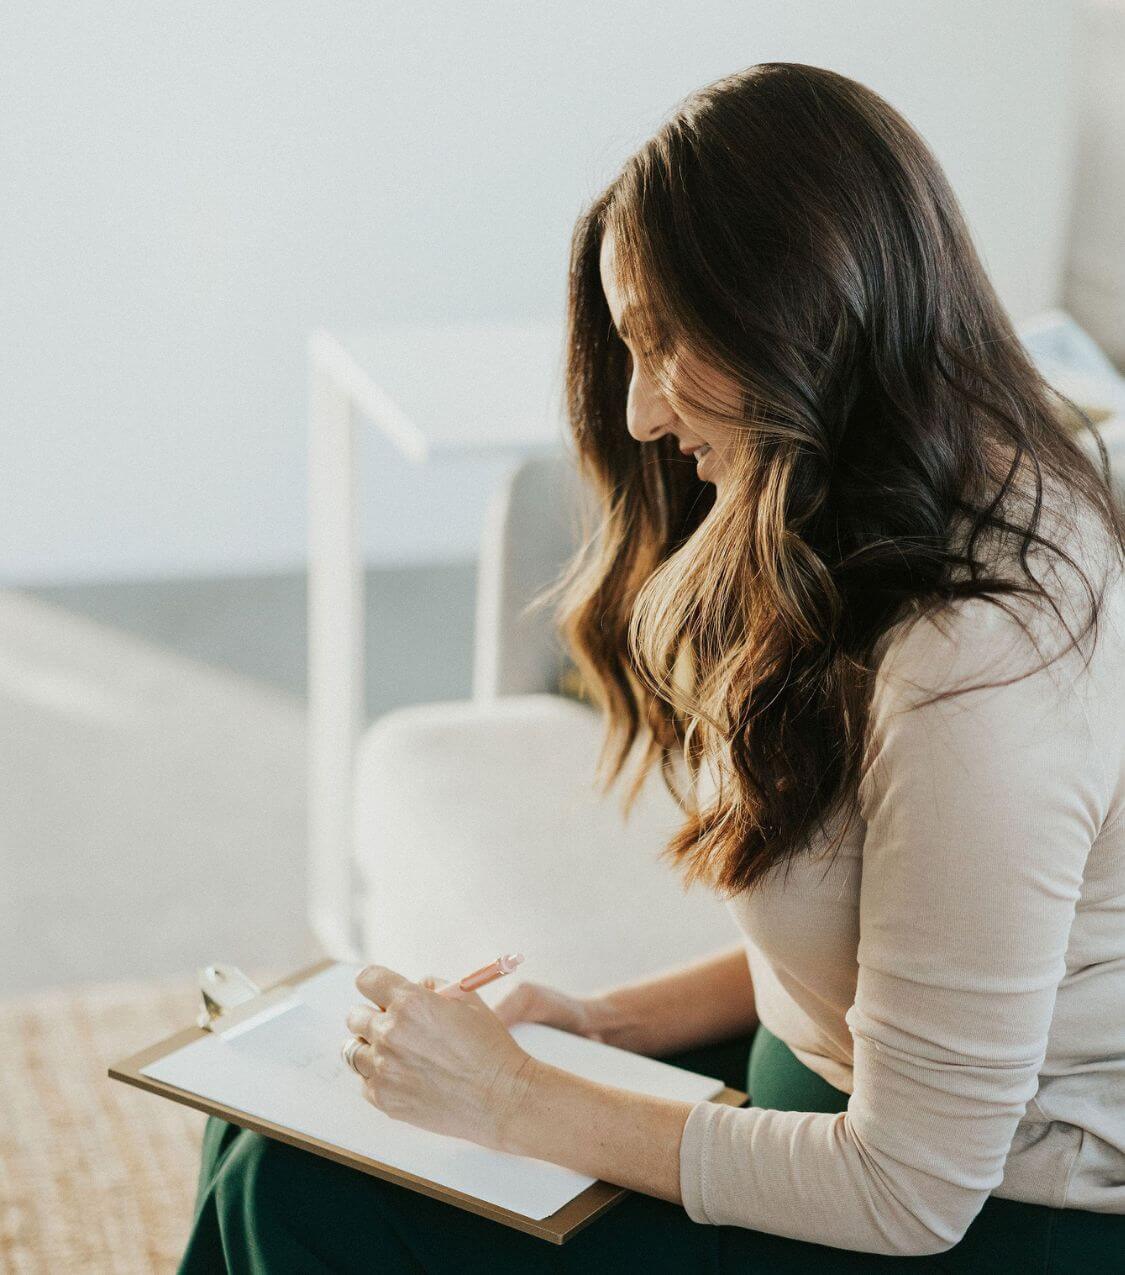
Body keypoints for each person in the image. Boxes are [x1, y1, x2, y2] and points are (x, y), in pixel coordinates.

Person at [177, 63, 1125, 1272]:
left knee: (300, 1192)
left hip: (975, 1222)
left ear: (800, 311)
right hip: (832, 1119)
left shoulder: (982, 664)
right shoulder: (869, 517)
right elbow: (895, 958)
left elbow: (913, 1193)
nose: (636, 413)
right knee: (265, 1120)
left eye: (661, 343)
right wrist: (596, 1024)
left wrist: (517, 1097)